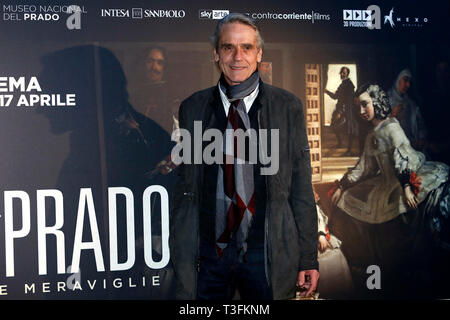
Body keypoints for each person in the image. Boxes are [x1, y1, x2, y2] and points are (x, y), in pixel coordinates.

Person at [169, 13, 319, 300]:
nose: (238, 56)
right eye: (228, 47)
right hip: (209, 256)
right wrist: (181, 247)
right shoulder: (193, 108)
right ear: (216, 53)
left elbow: (301, 187)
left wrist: (308, 258)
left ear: (259, 53)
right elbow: (185, 185)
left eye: (247, 47)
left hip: (266, 252)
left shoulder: (288, 107)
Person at [330, 83, 450, 298]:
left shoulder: (392, 127)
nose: (361, 111)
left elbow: (402, 158)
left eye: (365, 105)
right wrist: (343, 185)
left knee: (407, 215)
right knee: (346, 200)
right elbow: (364, 168)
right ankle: (364, 268)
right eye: (358, 106)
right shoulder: (371, 136)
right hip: (385, 184)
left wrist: (406, 186)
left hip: (404, 178)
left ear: (377, 101)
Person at [129, 46, 179, 135]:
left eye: (159, 63)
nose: (154, 67)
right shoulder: (133, 94)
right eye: (150, 61)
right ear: (142, 64)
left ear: (164, 67)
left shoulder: (172, 95)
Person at [388, 69, 427, 152]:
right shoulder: (386, 101)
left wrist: (421, 138)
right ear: (397, 80)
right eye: (405, 80)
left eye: (409, 82)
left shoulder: (411, 104)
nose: (408, 85)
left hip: (413, 148)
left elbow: (420, 126)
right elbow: (380, 132)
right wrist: (393, 116)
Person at [325, 66, 358, 156]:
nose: (342, 74)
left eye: (344, 73)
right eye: (341, 72)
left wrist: (341, 111)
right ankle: (340, 143)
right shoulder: (343, 84)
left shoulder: (349, 84)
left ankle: (349, 150)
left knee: (349, 130)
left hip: (347, 110)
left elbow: (348, 100)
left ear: (347, 74)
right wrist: (326, 91)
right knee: (334, 125)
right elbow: (335, 96)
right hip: (341, 109)